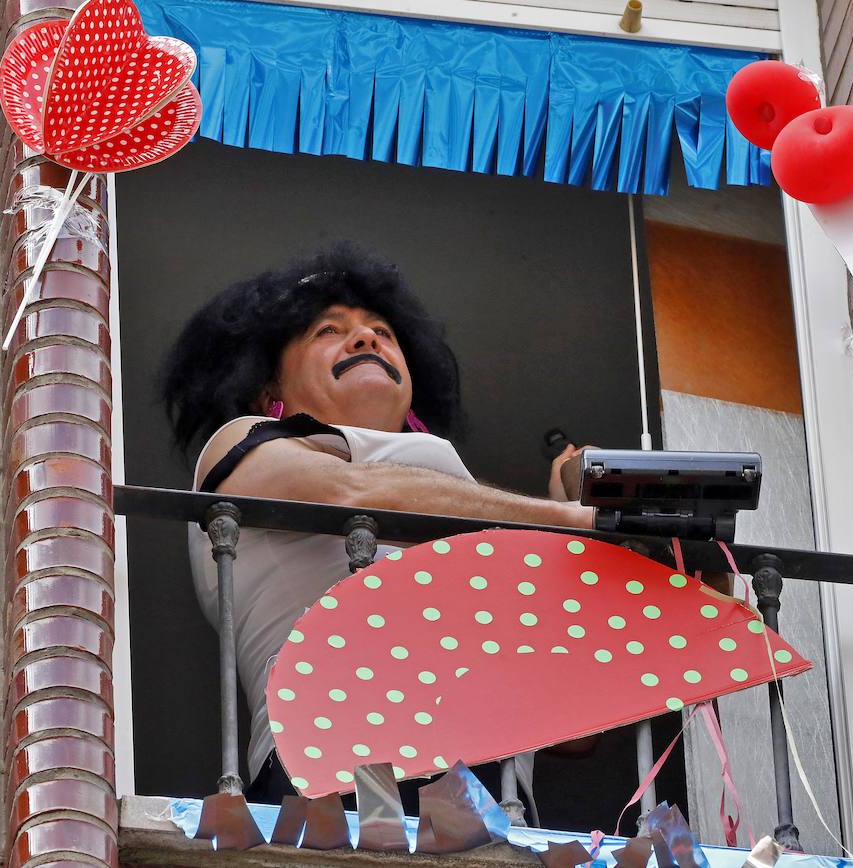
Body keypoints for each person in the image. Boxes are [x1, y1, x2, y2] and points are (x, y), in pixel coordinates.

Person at [161, 242, 594, 806]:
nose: (365, 339)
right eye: (327, 331)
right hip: (336, 779)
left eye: (382, 332)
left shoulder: (459, 494)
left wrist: (578, 559)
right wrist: (566, 523)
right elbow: (351, 493)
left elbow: (574, 733)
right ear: (270, 390)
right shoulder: (243, 443)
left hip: (487, 805)